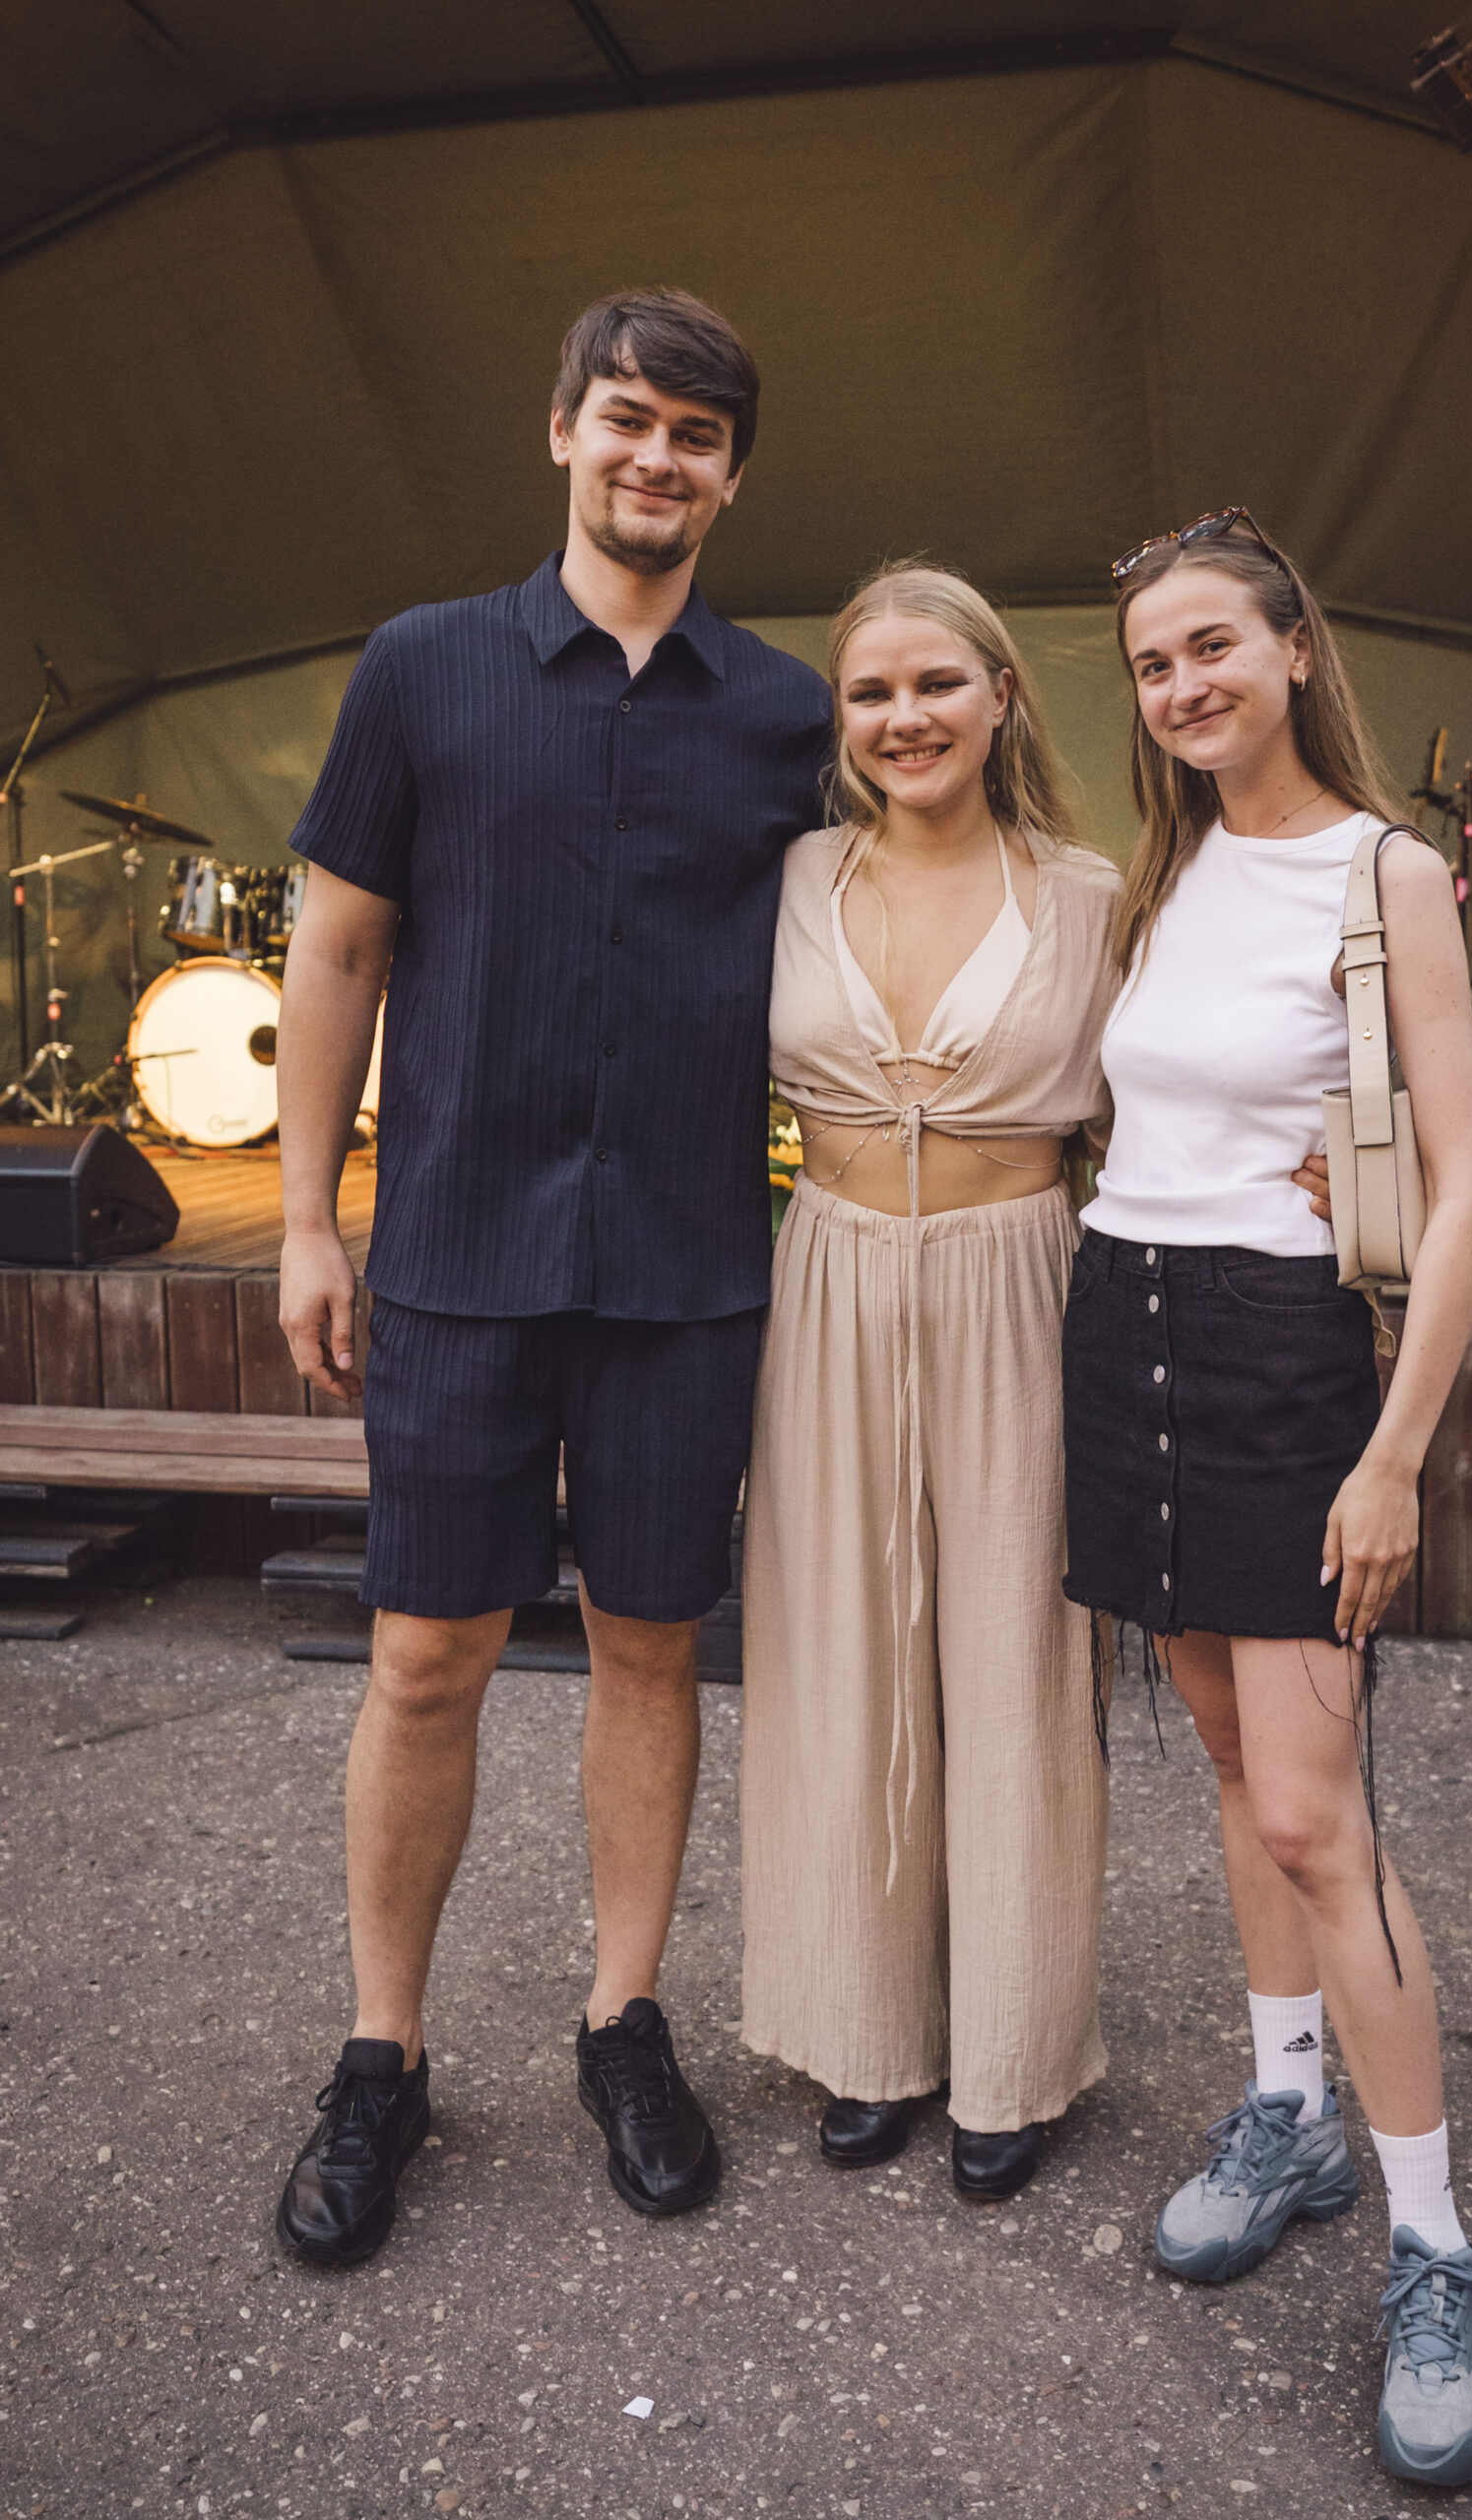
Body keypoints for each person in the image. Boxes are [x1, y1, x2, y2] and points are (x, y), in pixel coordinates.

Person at [273, 288, 831, 2264]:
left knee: (650, 1651)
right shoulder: (422, 666)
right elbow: (337, 949)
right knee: (424, 1659)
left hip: (686, 1267)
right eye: (628, 417)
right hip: (454, 1256)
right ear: (563, 432)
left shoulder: (789, 713)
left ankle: (623, 2019)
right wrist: (306, 1218)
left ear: (731, 476)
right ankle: (383, 2053)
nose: (656, 455)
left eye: (696, 432)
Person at [1061, 509, 1472, 2487]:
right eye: (1153, 664)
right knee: (1237, 1770)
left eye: (1212, 647)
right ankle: (1286, 2112)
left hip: (1280, 1359)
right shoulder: (1162, 867)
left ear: (1294, 647)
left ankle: (1433, 2249)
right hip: (1124, 1324)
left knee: (1320, 1816)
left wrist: (1389, 1450)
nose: (1183, 686)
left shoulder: (1384, 867)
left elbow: (1463, 1181)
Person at [740, 563, 1117, 2201]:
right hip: (825, 1279)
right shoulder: (790, 877)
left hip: (1017, 1282)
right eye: (872, 692)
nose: (905, 717)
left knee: (1015, 1659)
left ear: (1001, 696)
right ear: (841, 718)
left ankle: (1014, 2053)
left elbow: (1173, 1099)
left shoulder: (1090, 897)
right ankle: (862, 2031)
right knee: (836, 1645)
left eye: (937, 684)